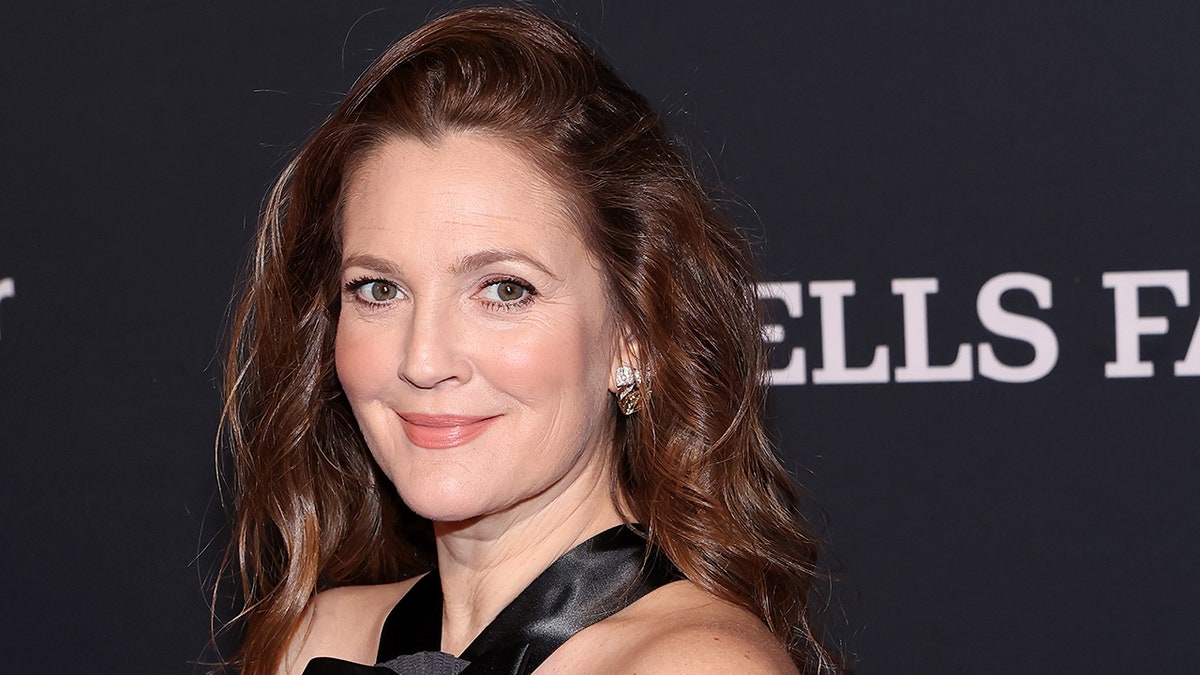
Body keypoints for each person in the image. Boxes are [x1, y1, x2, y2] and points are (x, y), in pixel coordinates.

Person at [219, 6, 844, 675]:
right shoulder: (314, 641)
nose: (423, 359)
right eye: (379, 289)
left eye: (504, 289)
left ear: (633, 334)